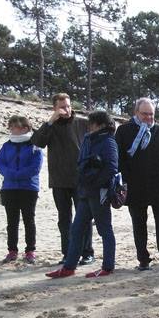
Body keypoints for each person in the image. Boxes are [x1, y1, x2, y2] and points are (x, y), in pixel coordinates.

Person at [46, 111, 118, 278]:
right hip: (85, 191)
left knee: (104, 229)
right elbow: (82, 163)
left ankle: (108, 266)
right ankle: (69, 267)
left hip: (99, 192)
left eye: (91, 123)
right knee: (77, 229)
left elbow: (112, 168)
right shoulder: (89, 139)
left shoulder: (108, 141)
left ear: (100, 124)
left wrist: (95, 183)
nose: (89, 126)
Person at [116, 98, 159, 272]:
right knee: (139, 224)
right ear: (136, 113)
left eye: (151, 114)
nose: (149, 117)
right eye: (145, 114)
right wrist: (125, 181)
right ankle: (143, 259)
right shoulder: (123, 131)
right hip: (135, 187)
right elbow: (118, 160)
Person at [31, 93, 95, 266]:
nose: (66, 110)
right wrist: (51, 120)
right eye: (62, 107)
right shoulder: (50, 126)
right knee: (64, 219)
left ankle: (87, 252)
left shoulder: (83, 123)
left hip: (81, 179)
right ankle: (67, 253)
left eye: (68, 106)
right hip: (59, 180)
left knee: (84, 217)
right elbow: (36, 141)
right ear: (55, 108)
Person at [0, 115, 43, 264]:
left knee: (29, 220)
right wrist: (10, 174)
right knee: (12, 221)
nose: (11, 129)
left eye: (14, 126)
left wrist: (18, 175)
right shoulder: (6, 145)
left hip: (28, 188)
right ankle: (12, 250)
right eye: (10, 126)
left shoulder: (34, 145)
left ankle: (30, 251)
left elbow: (36, 167)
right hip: (9, 188)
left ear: (24, 128)